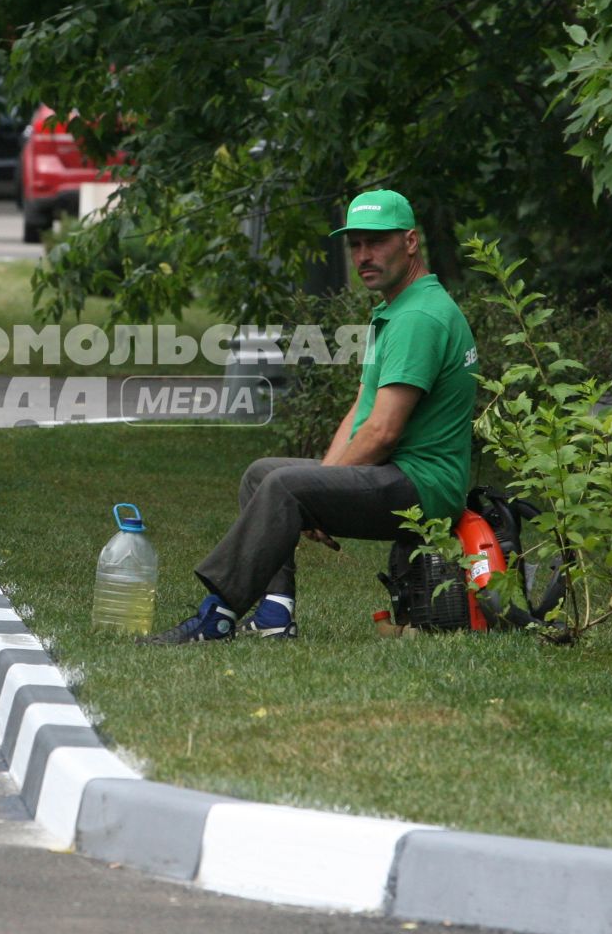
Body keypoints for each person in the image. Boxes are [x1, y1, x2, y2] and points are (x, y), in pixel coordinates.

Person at [144, 189, 478, 643]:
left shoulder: (420, 317)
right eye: (355, 244)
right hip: (401, 475)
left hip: (425, 487)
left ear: (411, 242)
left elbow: (382, 433)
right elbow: (362, 410)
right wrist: (324, 481)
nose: (364, 255)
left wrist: (318, 492)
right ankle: (275, 615)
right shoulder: (396, 310)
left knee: (286, 486)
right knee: (264, 474)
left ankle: (217, 615)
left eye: (377, 242)